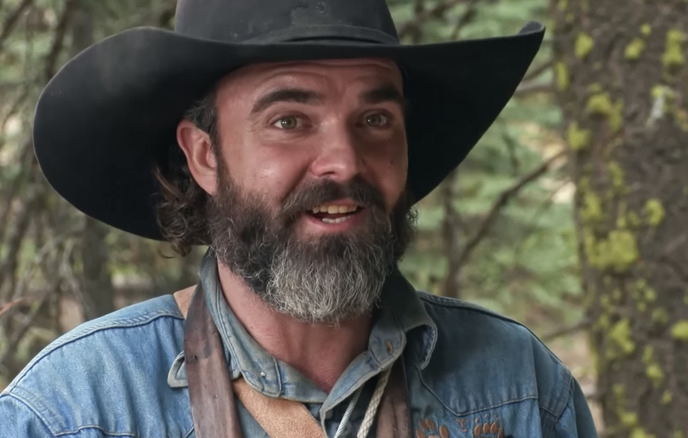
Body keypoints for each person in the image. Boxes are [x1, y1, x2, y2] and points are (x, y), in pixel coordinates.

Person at [0, 0, 598, 437]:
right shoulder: (73, 413)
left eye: (376, 120)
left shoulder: (519, 389)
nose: (344, 160)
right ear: (205, 156)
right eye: (289, 120)